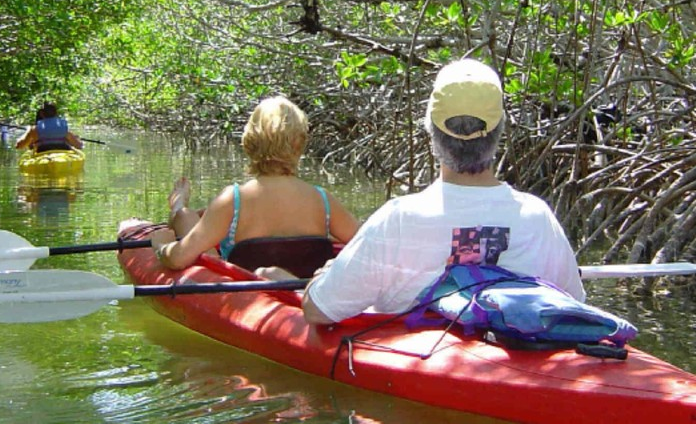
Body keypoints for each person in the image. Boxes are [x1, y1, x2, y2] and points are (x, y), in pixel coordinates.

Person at [302, 58, 586, 324]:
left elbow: (317, 311)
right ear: (500, 128)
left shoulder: (399, 219)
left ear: (430, 128)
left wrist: (323, 278)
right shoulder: (538, 218)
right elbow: (574, 303)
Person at [149, 96, 360, 279]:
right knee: (188, 218)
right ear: (300, 144)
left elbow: (178, 259)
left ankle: (178, 207)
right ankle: (180, 208)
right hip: (299, 293)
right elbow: (371, 246)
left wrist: (160, 247)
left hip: (249, 295)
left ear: (249, 142)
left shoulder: (233, 199)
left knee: (185, 218)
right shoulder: (323, 200)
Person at [15, 102, 83, 153]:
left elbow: (19, 146)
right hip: (62, 155)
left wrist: (27, 131)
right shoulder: (63, 127)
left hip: (42, 154)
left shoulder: (34, 129)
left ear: (41, 114)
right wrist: (77, 139)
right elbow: (79, 145)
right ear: (56, 113)